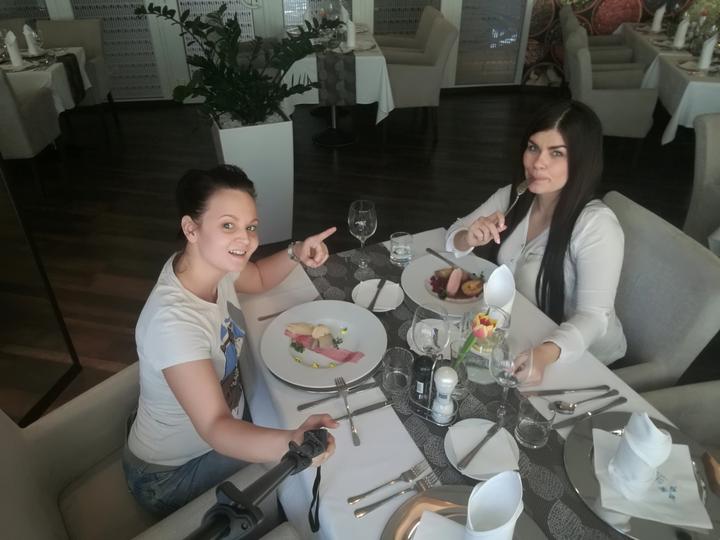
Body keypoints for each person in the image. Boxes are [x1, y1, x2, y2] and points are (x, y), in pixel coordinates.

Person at [123, 165, 338, 517]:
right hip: (169, 477)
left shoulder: (209, 266)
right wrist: (292, 443)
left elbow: (259, 277)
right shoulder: (173, 323)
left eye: (250, 227)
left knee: (291, 399)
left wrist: (297, 251)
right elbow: (216, 428)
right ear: (191, 229)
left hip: (213, 419)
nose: (246, 240)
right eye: (228, 225)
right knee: (301, 471)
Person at [445, 100, 626, 383]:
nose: (538, 162)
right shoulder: (515, 196)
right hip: (526, 328)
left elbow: (594, 317)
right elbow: (454, 234)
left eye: (557, 153)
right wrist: (467, 237)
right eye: (533, 147)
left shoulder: (596, 225)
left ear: (582, 160)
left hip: (584, 361)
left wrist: (543, 354)